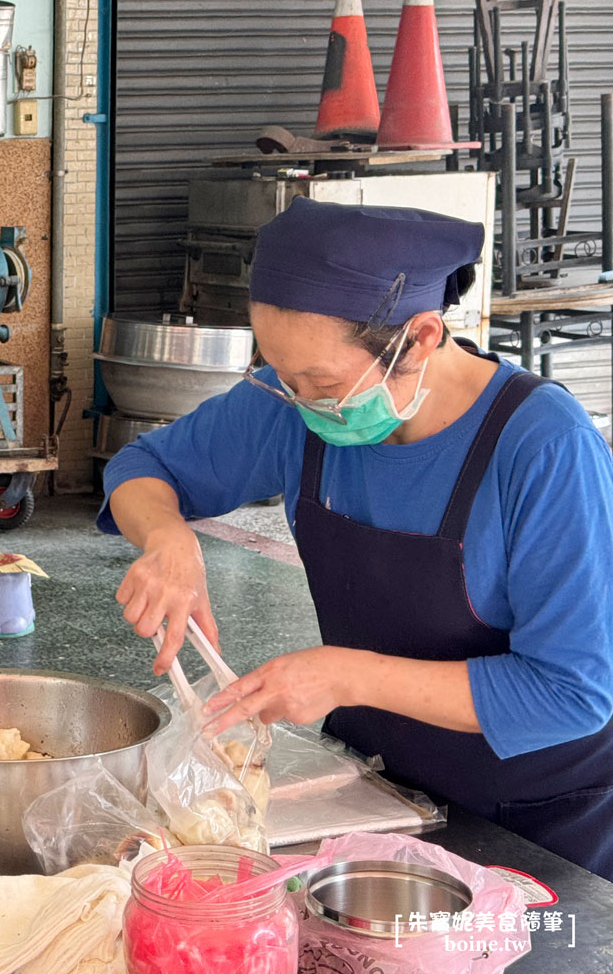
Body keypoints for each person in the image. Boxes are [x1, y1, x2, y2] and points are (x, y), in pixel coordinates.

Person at [102, 197, 613, 877]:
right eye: (282, 375)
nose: (299, 396)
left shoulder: (545, 448)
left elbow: (571, 691)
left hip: (536, 820)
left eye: (320, 381)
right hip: (376, 793)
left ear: (422, 338)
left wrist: (346, 675)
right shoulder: (294, 405)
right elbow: (141, 468)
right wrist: (167, 538)